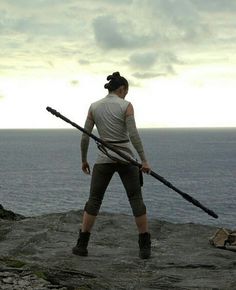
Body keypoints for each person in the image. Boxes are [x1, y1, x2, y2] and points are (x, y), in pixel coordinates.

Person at [72, 72, 152, 259]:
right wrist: (144, 161)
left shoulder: (94, 107)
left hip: (103, 159)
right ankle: (144, 247)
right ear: (122, 89)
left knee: (94, 200)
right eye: (126, 91)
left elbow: (85, 136)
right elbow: (133, 135)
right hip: (126, 159)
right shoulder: (126, 106)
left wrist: (84, 159)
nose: (126, 95)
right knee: (135, 199)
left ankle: (82, 245)